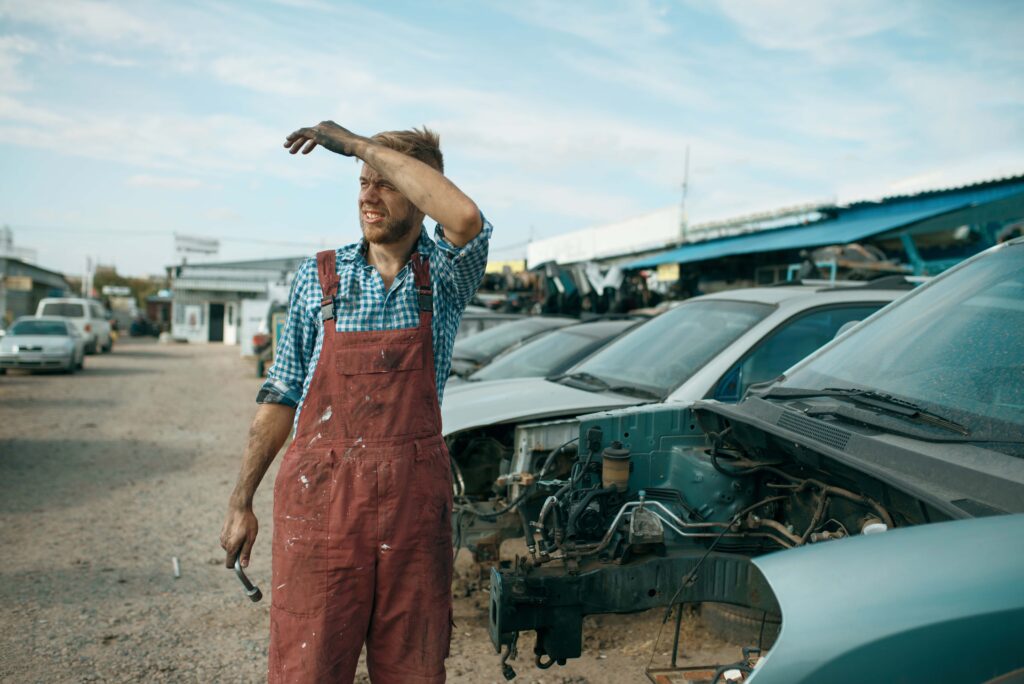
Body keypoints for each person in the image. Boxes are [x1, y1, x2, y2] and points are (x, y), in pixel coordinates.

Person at [219, 121, 491, 684]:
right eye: (363, 181)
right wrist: (241, 499)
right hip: (322, 502)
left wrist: (360, 146)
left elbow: (464, 219)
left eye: (386, 182)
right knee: (309, 664)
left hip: (413, 505)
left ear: (419, 192)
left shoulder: (442, 273)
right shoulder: (320, 277)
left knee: (412, 665)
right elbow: (282, 391)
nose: (369, 194)